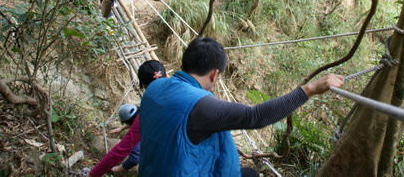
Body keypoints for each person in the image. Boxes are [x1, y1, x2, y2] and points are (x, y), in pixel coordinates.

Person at [139, 37, 344, 176]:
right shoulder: (199, 105)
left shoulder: (154, 87)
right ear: (214, 74)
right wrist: (309, 89)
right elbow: (254, 117)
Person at [87, 60, 166, 177]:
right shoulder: (189, 90)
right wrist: (121, 128)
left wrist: (92, 174)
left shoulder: (151, 107)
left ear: (143, 85)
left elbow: (122, 151)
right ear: (165, 75)